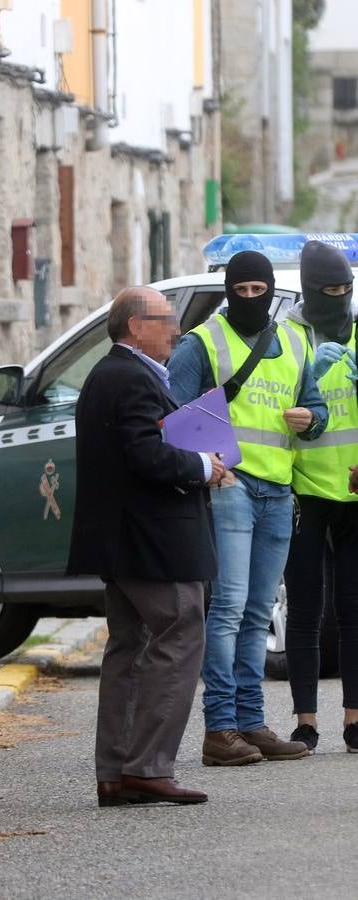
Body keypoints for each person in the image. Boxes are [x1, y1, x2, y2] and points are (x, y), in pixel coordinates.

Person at [168, 249, 328, 766]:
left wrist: (313, 418)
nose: (251, 299)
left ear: (270, 292)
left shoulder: (297, 341)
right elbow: (174, 417)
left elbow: (318, 406)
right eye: (242, 291)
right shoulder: (202, 342)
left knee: (259, 612)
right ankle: (221, 728)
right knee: (230, 608)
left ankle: (252, 722)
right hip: (229, 488)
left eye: (260, 291)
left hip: (279, 491)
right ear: (230, 291)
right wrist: (209, 464)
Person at [68, 286, 221, 807]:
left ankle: (116, 772)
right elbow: (145, 455)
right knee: (179, 634)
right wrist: (204, 464)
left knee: (129, 649)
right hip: (153, 541)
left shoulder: (118, 373)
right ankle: (148, 766)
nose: (176, 328)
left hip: (132, 542)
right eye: (165, 318)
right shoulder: (130, 377)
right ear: (136, 326)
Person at [283, 240, 358, 753]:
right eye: (329, 291)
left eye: (345, 290)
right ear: (309, 290)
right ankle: (306, 721)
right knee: (305, 610)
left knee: (354, 610)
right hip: (301, 490)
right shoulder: (287, 337)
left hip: (354, 491)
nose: (339, 298)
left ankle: (355, 720)